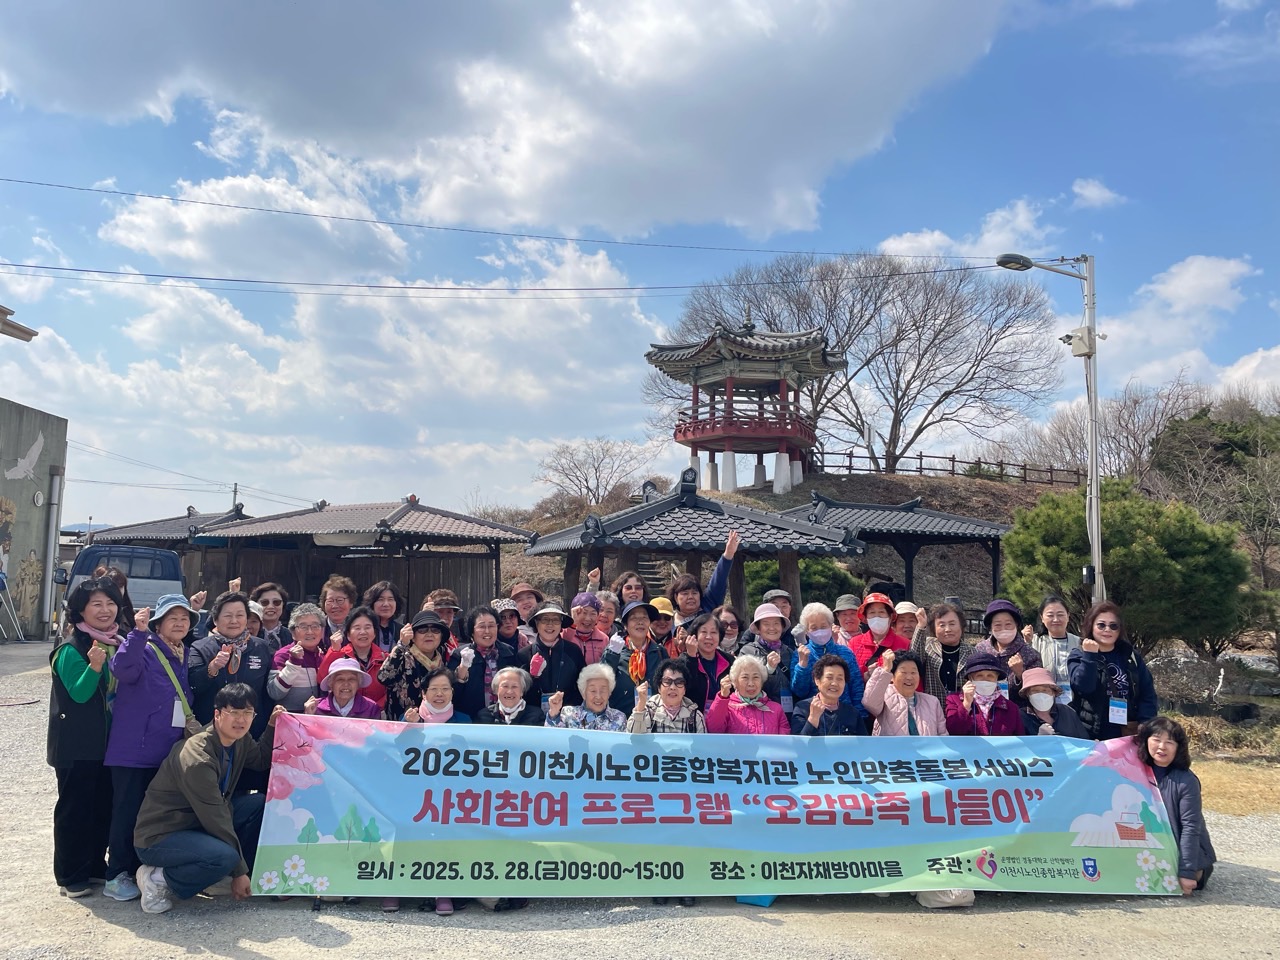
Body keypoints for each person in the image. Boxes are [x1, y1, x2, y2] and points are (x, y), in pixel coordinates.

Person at [133, 684, 286, 914]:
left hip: (197, 824)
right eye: (234, 712)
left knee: (257, 804)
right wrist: (239, 871)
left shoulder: (239, 740)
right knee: (225, 857)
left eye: (247, 713)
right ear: (217, 714)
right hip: (162, 835)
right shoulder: (197, 758)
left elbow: (261, 759)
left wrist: (273, 725)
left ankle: (220, 873)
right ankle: (157, 878)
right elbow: (215, 817)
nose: (241, 720)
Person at [102, 595, 199, 902]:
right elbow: (122, 669)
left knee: (152, 816)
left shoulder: (181, 653)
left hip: (163, 752)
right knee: (126, 813)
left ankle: (137, 869)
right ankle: (116, 875)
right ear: (158, 624)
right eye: (173, 618)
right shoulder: (144, 648)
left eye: (185, 618)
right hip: (133, 751)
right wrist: (138, 633)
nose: (180, 623)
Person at [47, 576, 121, 897]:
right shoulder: (70, 649)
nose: (105, 610)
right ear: (80, 610)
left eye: (110, 603)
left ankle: (93, 866)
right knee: (75, 810)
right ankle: (70, 875)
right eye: (96, 604)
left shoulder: (116, 642)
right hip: (76, 745)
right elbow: (79, 694)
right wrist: (94, 667)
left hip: (107, 744)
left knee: (102, 805)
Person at [1136, 717, 1216, 894]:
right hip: (1147, 846)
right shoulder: (1133, 771)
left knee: (1174, 878)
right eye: (1156, 739)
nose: (1162, 747)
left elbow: (1190, 827)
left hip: (1182, 850)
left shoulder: (1187, 781)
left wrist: (1187, 871)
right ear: (1146, 741)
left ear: (1178, 748)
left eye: (1169, 742)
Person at [188, 591, 273, 739]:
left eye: (240, 615)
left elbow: (267, 693)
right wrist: (212, 668)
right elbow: (193, 685)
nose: (234, 621)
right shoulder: (200, 647)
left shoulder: (262, 647)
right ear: (215, 620)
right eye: (228, 616)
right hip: (211, 732)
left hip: (251, 732)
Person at [1068, 601, 1158, 740]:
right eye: (1101, 625)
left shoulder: (1130, 656)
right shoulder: (1079, 655)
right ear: (1091, 626)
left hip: (1125, 732)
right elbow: (1084, 688)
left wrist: (1146, 725)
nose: (1107, 629)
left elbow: (1147, 693)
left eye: (1113, 626)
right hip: (1091, 734)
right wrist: (1090, 655)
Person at [790, 602, 866, 722]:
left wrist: (861, 717)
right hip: (814, 718)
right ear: (807, 631)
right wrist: (802, 666)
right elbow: (799, 692)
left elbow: (856, 687)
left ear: (831, 626)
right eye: (814, 628)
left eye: (823, 626)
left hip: (844, 717)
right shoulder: (800, 654)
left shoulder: (845, 652)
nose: (819, 631)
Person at [380, 610, 451, 721]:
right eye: (422, 630)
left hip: (435, 724)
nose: (429, 634)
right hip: (402, 724)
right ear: (413, 636)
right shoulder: (402, 655)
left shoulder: (443, 659)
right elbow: (383, 677)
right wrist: (401, 644)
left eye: (435, 630)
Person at [449, 605, 519, 718]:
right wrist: (463, 667)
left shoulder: (509, 652)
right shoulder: (459, 655)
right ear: (472, 631)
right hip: (471, 719)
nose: (487, 631)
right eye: (481, 626)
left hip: (504, 718)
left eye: (491, 626)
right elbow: (452, 694)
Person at [317, 605, 388, 712]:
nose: (363, 632)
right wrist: (334, 651)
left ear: (374, 633)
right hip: (345, 714)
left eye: (367, 627)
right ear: (348, 635)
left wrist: (374, 709)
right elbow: (322, 679)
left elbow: (392, 690)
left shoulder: (386, 659)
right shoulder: (339, 655)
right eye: (357, 628)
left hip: (377, 714)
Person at [601, 599, 668, 712]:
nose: (640, 622)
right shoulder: (615, 650)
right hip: (621, 716)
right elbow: (601, 682)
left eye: (644, 618)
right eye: (634, 618)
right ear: (625, 625)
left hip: (653, 716)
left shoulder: (659, 652)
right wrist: (612, 655)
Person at [862, 650, 948, 737]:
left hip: (928, 746)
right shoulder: (883, 695)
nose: (909, 677)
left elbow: (943, 735)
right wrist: (886, 670)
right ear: (892, 676)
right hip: (891, 746)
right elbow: (869, 703)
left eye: (913, 672)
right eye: (903, 672)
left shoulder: (932, 702)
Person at [518, 600, 586, 708]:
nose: (550, 624)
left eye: (555, 620)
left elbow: (582, 685)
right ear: (536, 622)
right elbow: (519, 692)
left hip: (568, 713)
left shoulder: (573, 651)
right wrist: (533, 677)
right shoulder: (524, 654)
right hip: (534, 714)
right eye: (545, 619)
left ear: (561, 624)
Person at [972, 599, 1042, 699]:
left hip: (1018, 708)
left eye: (1008, 624)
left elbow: (1038, 690)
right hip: (983, 707)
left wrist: (1020, 674)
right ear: (990, 627)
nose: (1003, 628)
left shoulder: (1030, 654)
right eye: (997, 625)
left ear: (1016, 624)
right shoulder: (980, 650)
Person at [267, 602, 327, 714]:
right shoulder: (283, 655)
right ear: (293, 633)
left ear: (322, 630)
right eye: (303, 627)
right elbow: (274, 693)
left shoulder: (322, 655)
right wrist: (293, 663)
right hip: (291, 720)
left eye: (315, 626)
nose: (310, 632)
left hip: (317, 720)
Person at [706, 655, 790, 735]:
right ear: (735, 682)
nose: (751, 683)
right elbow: (714, 730)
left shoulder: (776, 709)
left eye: (756, 677)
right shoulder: (727, 707)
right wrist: (723, 697)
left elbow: (784, 741)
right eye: (745, 678)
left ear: (762, 680)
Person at [945, 652, 1023, 736]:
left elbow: (1020, 738)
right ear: (971, 678)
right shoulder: (954, 700)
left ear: (997, 678)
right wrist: (966, 704)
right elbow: (953, 731)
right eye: (980, 675)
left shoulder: (1011, 708)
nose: (985, 679)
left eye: (990, 675)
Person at [912, 601, 976, 702]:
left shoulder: (972, 653)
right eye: (942, 625)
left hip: (963, 708)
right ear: (934, 629)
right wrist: (921, 626)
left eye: (952, 624)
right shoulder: (928, 646)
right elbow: (914, 658)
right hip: (933, 706)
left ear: (961, 626)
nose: (947, 629)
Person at [736, 603, 795, 706]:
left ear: (782, 626)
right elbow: (745, 686)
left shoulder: (789, 652)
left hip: (788, 711)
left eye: (776, 623)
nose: (772, 628)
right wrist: (769, 670)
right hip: (759, 710)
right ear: (758, 628)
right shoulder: (748, 652)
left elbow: (797, 687)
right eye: (766, 624)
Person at [673, 612, 735, 710]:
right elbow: (685, 687)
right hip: (693, 714)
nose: (709, 637)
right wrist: (691, 657)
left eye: (714, 632)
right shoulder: (684, 659)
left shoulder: (729, 660)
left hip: (725, 712)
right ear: (695, 636)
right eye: (704, 632)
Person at [793, 653, 865, 736]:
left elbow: (863, 742)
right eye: (829, 678)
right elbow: (799, 743)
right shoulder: (802, 708)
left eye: (840, 679)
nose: (834, 683)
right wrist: (813, 718)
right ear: (817, 680)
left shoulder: (852, 713)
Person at [627, 659, 707, 734]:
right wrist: (641, 706)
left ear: (684, 689)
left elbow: (702, 744)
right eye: (667, 681)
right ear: (659, 688)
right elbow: (633, 739)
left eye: (679, 682)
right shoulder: (647, 711)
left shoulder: (695, 717)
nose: (673, 687)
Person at [1029, 595, 1080, 704]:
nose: (1056, 619)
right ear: (1042, 618)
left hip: (1075, 703)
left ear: (1068, 616)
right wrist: (1027, 642)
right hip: (1043, 702)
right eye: (1050, 615)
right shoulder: (1035, 641)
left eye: (1060, 615)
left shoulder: (1079, 643)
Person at [546, 663, 628, 730]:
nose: (598, 696)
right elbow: (552, 739)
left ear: (609, 693)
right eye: (593, 691)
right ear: (583, 693)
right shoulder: (568, 714)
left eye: (603, 690)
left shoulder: (619, 718)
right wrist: (554, 712)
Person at [847, 592, 911, 675]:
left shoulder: (905, 644)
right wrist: (865, 676)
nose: (877, 617)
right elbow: (849, 676)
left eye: (881, 612)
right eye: (872, 613)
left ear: (891, 616)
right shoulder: (854, 643)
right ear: (865, 618)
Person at [1018, 667, 1090, 739]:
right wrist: (1039, 739)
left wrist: (1094, 744)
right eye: (1035, 691)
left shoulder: (1067, 712)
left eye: (1045, 690)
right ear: (1027, 694)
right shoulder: (1020, 717)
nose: (1041, 694)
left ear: (1054, 692)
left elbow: (1084, 740)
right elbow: (1018, 744)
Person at [306, 657, 381, 719]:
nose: (346, 684)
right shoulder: (316, 708)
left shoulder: (371, 708)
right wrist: (308, 717)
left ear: (358, 683)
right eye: (340, 679)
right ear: (331, 683)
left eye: (352, 679)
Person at [473, 666, 544, 726]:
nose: (509, 691)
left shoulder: (536, 715)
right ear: (496, 689)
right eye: (505, 686)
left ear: (522, 691)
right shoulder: (483, 716)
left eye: (514, 686)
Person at [403, 666, 471, 726]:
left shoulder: (464, 721)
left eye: (445, 688)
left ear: (452, 692)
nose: (439, 694)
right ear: (424, 693)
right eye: (434, 689)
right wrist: (408, 724)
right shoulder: (408, 718)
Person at [564, 592, 609, 664]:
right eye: (584, 613)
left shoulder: (603, 639)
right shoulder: (564, 635)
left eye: (593, 614)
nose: (588, 618)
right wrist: (573, 623)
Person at [363, 580, 405, 652]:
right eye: (380, 599)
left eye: (390, 599)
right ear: (372, 603)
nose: (386, 604)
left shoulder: (402, 630)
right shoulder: (363, 629)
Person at [93, 564, 136, 632]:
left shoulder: (129, 614)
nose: (117, 591)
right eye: (97, 604)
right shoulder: (90, 615)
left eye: (120, 586)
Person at [319, 575, 358, 649]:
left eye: (340, 600)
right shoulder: (317, 627)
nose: (334, 606)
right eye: (330, 600)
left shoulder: (358, 627)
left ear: (351, 603)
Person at [250, 583, 291, 651]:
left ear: (283, 605)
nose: (270, 606)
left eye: (276, 602)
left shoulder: (291, 635)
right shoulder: (248, 632)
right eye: (264, 602)